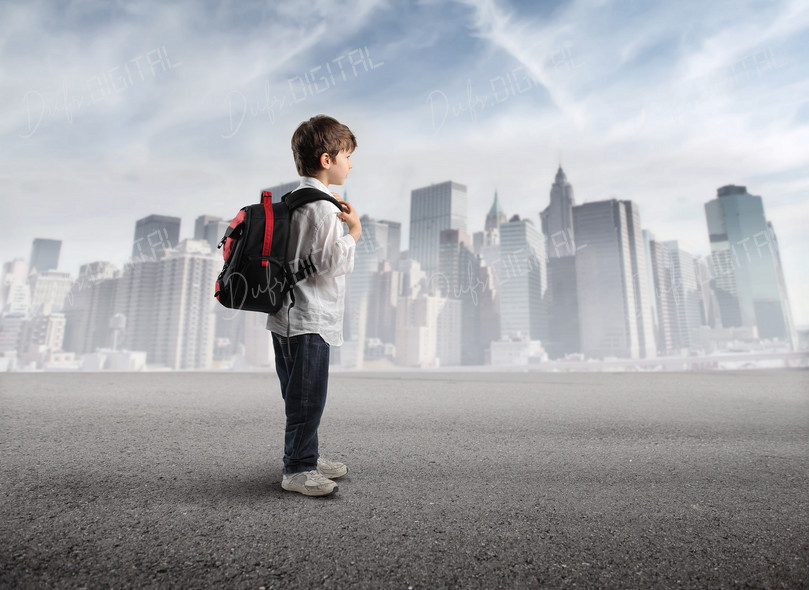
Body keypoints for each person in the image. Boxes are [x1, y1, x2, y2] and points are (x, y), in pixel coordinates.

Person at [266, 115, 361, 496]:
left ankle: (307, 453)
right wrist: (354, 232)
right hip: (308, 317)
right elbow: (329, 263)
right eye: (347, 156)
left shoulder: (292, 200)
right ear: (327, 159)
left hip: (283, 314)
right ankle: (298, 469)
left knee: (298, 395)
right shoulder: (322, 207)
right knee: (308, 396)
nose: (350, 164)